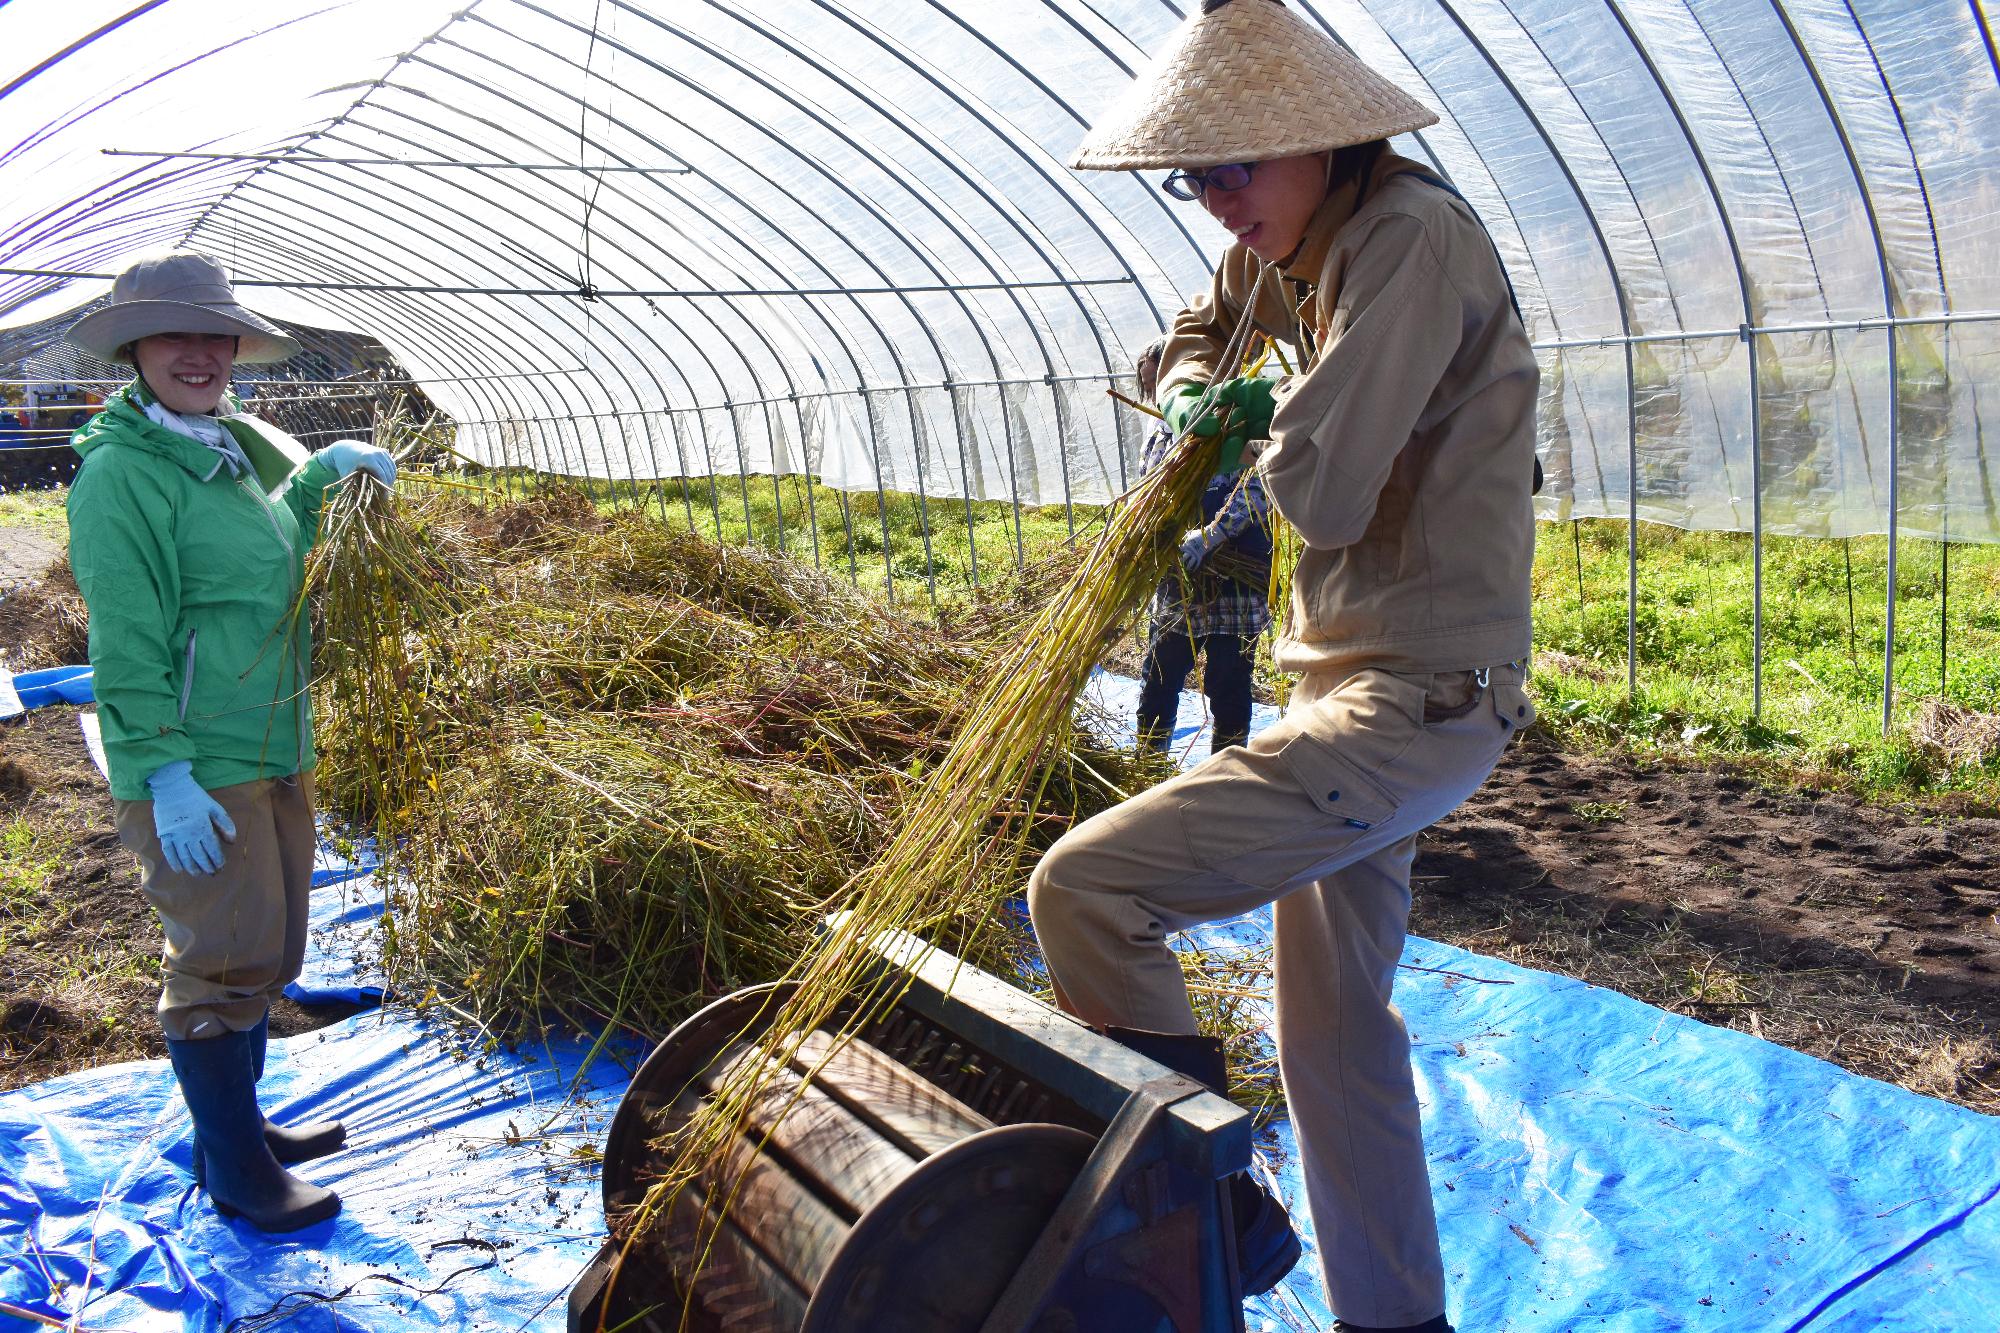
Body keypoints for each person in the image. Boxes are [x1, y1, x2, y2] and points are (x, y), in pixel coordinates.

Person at [1035, 2, 1539, 1328]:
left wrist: (1260, 419)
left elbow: (1318, 488)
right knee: (1331, 1041)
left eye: (1232, 169)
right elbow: (1191, 333)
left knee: (1084, 890)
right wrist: (1203, 379)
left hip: (1417, 695)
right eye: (1191, 178)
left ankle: (1212, 1201)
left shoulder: (1405, 241)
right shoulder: (1293, 241)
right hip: (1343, 675)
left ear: (1318, 138)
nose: (1212, 201)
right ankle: (1398, 1317)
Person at [64, 252, 397, 1234]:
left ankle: (235, 1131)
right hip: (196, 760)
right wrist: (163, 774)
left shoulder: (235, 442)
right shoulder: (123, 474)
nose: (199, 353)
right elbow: (125, 639)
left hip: (271, 738)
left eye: (214, 335)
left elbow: (270, 546)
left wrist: (321, 476)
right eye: (176, 335)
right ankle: (237, 1172)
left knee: (270, 949)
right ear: (135, 350)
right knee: (218, 961)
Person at [1130, 335, 1276, 756]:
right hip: (1179, 576)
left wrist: (1212, 535)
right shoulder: (1160, 432)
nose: (1160, 395)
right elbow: (1147, 488)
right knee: (1160, 675)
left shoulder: (1239, 422)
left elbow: (1260, 487)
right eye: (1151, 386)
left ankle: (1225, 773)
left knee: (1229, 681)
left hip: (1236, 574)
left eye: (1166, 382)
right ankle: (1148, 761)